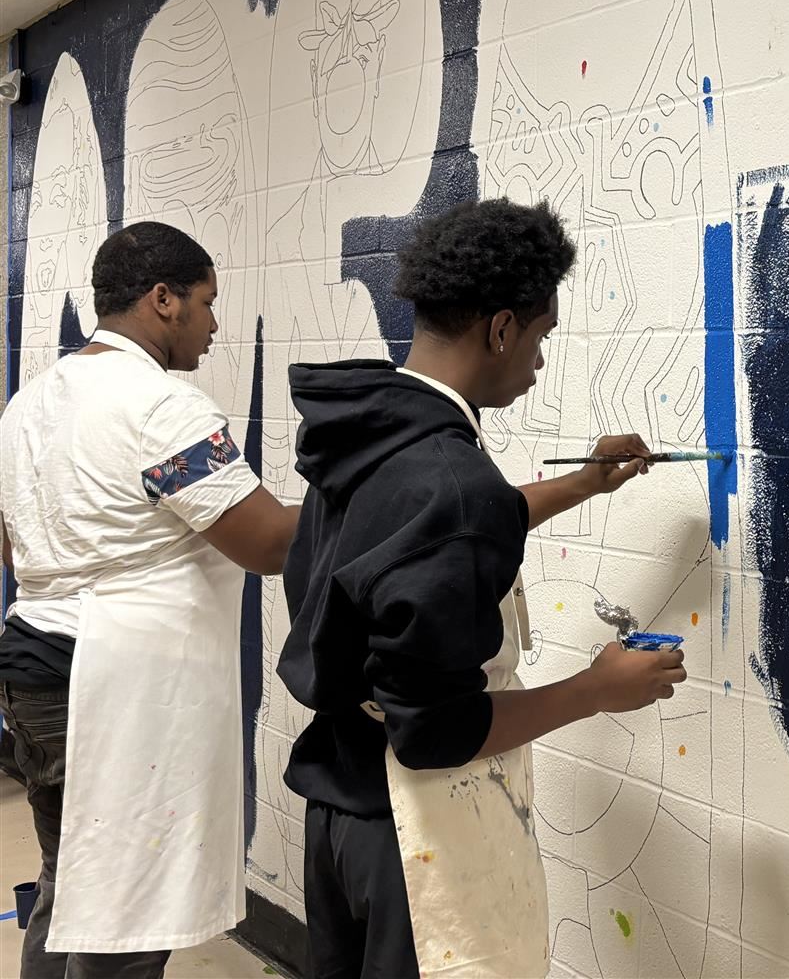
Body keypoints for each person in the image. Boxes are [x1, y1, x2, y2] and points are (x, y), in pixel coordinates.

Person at [279, 197, 687, 978]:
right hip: (413, 838)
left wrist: (582, 485)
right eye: (539, 338)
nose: (537, 361)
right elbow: (436, 731)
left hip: (339, 813)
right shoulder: (450, 481)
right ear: (501, 329)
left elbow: (423, 535)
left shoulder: (372, 429)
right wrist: (596, 688)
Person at [0, 221, 300, 978]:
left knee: (69, 886)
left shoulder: (28, 405)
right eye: (206, 301)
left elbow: (13, 544)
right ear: (162, 300)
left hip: (33, 671)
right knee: (126, 921)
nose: (214, 323)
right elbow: (266, 543)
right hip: (110, 692)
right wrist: (368, 497)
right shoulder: (164, 408)